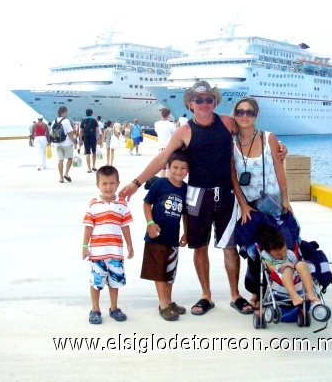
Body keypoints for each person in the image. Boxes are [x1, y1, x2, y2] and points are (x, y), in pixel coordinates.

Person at [119, 81, 286, 316]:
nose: (205, 104)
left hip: (226, 193)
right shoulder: (184, 131)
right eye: (199, 100)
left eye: (209, 99)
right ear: (191, 103)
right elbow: (161, 160)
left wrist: (279, 146)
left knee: (229, 247)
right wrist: (136, 183)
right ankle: (206, 295)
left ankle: (235, 295)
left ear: (215, 102)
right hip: (197, 194)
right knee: (200, 247)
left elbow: (252, 135)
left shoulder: (227, 123)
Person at [230, 97, 292, 309]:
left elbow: (278, 168)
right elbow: (232, 176)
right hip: (250, 205)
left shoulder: (269, 138)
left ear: (256, 115)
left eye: (250, 112)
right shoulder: (232, 143)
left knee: (277, 246)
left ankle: (281, 288)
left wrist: (286, 198)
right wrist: (243, 204)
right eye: (240, 112)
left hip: (272, 202)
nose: (245, 116)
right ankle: (257, 293)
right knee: (253, 250)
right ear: (235, 114)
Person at [141, 150, 189, 321]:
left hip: (173, 238)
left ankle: (169, 300)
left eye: (183, 168)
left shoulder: (185, 189)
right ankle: (163, 304)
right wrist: (150, 223)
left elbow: (185, 213)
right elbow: (147, 203)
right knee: (159, 271)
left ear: (188, 170)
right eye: (175, 167)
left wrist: (187, 232)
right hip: (157, 236)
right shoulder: (160, 184)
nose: (179, 171)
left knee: (170, 272)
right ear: (168, 167)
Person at [82, 165, 134, 325]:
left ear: (118, 184)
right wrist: (85, 246)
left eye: (112, 183)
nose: (108, 187)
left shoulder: (122, 205)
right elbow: (88, 226)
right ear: (98, 185)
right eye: (104, 184)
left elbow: (125, 226)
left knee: (115, 281)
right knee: (96, 282)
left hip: (115, 252)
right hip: (97, 253)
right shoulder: (93, 204)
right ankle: (95, 309)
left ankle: (114, 308)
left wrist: (130, 246)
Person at [260, 229, 319, 306]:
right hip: (278, 277)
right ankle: (294, 296)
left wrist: (295, 266)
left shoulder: (289, 253)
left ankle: (310, 292)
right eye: (278, 255)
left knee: (301, 264)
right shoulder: (266, 254)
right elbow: (268, 267)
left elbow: (295, 264)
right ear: (269, 252)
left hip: (294, 275)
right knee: (287, 270)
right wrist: (283, 266)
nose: (283, 255)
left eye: (284, 251)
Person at [53, 106, 76, 183]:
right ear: (62, 112)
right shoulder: (66, 121)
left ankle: (61, 177)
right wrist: (74, 142)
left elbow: (52, 132)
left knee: (60, 160)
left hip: (58, 143)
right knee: (70, 158)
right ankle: (66, 173)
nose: (67, 114)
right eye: (66, 112)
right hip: (67, 143)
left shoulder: (54, 121)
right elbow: (70, 133)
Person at [154, 108, 176, 177]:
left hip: (160, 147)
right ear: (169, 115)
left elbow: (157, 132)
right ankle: (169, 183)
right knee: (169, 167)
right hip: (169, 147)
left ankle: (162, 181)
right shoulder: (171, 124)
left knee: (162, 167)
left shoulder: (156, 124)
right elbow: (176, 134)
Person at [80, 109, 100, 173]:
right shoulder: (94, 120)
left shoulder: (83, 120)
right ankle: (93, 166)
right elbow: (97, 130)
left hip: (86, 138)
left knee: (87, 152)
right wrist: (99, 139)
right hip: (93, 138)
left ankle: (89, 168)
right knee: (94, 152)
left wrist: (81, 139)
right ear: (92, 113)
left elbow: (81, 131)